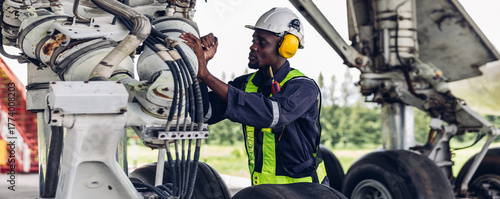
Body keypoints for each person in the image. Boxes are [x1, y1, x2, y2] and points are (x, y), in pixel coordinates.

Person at [181, 7, 325, 185]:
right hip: (264, 191)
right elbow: (204, 114)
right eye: (253, 40)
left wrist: (207, 76)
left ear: (286, 47)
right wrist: (199, 71)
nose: (253, 46)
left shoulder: (303, 87)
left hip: (306, 192)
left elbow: (271, 115)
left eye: (262, 43)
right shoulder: (245, 85)